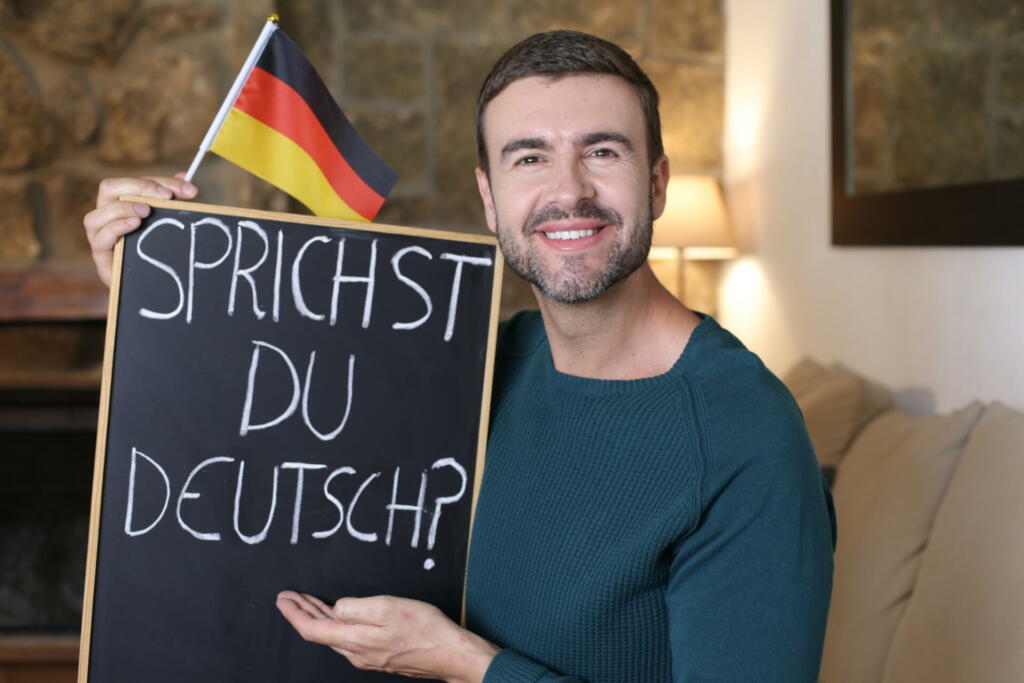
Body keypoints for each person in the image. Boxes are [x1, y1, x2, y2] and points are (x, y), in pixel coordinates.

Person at [84, 29, 835, 683]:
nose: (567, 191)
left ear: (658, 181)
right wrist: (161, 297)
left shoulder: (745, 433)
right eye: (529, 157)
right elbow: (268, 445)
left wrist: (466, 663)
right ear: (489, 197)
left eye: (602, 151)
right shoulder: (472, 363)